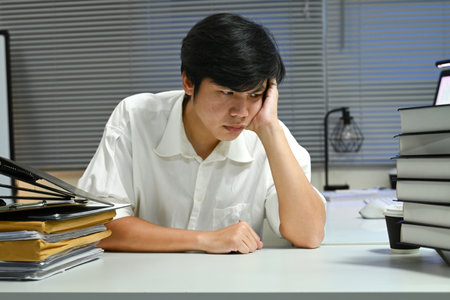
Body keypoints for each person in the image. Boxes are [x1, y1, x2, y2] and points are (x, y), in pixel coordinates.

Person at [78, 13, 326, 254]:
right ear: (188, 82)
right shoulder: (135, 117)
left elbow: (309, 234)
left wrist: (271, 131)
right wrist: (205, 240)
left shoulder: (268, 132)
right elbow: (97, 225)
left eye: (254, 94)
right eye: (226, 93)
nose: (241, 112)